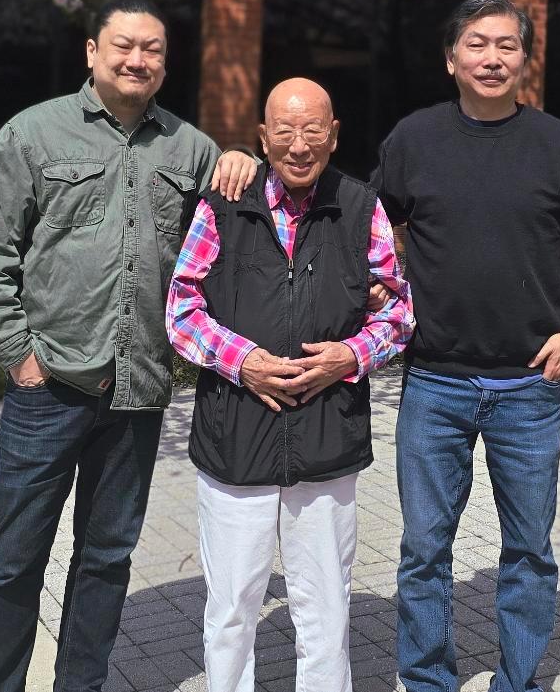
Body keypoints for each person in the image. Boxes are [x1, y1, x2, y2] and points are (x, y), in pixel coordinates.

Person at [0, 0, 254, 692]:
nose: (137, 59)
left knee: (106, 559)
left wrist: (243, 156)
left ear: (165, 64)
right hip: (49, 386)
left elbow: (241, 238)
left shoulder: (190, 149)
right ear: (92, 51)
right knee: (15, 559)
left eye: (152, 49)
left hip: (137, 391)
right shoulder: (33, 133)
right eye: (123, 45)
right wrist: (19, 355)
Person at [373, 0, 560, 692]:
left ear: (525, 59)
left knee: (529, 551)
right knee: (425, 551)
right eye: (477, 44)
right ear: (451, 59)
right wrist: (380, 292)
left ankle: (518, 680)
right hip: (435, 382)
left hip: (529, 388)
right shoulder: (414, 139)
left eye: (506, 45)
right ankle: (428, 680)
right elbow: (368, 230)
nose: (492, 57)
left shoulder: (559, 145)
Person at [166, 78, 414, 692]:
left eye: (312, 130)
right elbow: (181, 308)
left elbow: (397, 312)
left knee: (325, 604)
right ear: (262, 137)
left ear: (334, 136)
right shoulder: (223, 204)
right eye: (284, 130)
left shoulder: (361, 207)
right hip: (234, 434)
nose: (298, 145)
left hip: (327, 435)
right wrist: (243, 360)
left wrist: (349, 356)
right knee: (232, 607)